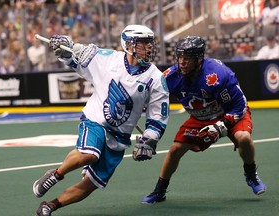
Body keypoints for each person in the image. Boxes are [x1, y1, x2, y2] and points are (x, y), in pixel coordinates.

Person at [32, 24, 169, 215]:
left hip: (120, 138)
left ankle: (49, 206)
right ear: (128, 44)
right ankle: (55, 174)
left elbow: (157, 117)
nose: (148, 48)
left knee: (91, 184)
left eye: (149, 44)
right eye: (142, 43)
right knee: (90, 154)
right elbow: (75, 58)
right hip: (95, 120)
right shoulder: (107, 59)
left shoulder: (155, 78)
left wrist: (149, 139)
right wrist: (63, 48)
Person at [141, 36, 266, 204]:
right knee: (174, 150)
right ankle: (160, 190)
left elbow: (239, 105)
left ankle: (251, 174)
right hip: (200, 117)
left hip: (228, 113)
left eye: (187, 58)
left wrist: (222, 125)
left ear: (199, 59)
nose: (182, 62)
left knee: (243, 138)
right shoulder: (171, 76)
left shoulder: (217, 75)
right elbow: (150, 96)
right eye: (180, 57)